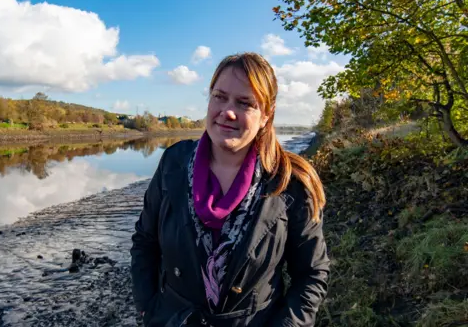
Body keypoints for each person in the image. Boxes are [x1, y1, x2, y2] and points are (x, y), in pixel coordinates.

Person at [130, 53, 330, 327]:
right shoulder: (173, 163)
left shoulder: (290, 182)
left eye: (245, 102)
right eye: (219, 96)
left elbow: (311, 274)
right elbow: (145, 241)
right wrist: (148, 309)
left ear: (266, 115)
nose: (228, 111)